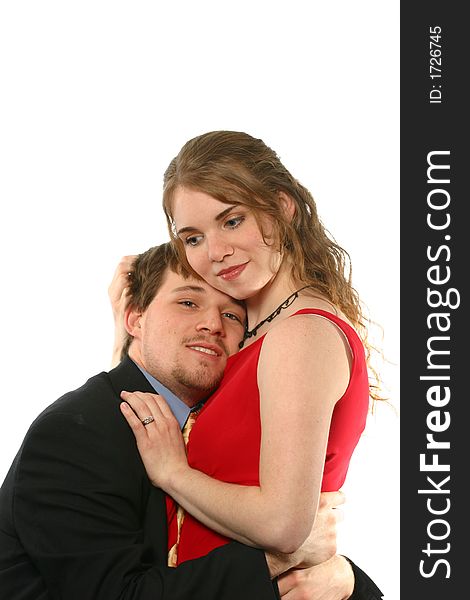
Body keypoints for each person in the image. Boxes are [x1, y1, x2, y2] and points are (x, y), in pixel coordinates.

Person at [0, 242, 358, 600]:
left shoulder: (217, 432)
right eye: (188, 303)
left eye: (232, 316)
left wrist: (344, 578)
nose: (212, 325)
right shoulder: (73, 435)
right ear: (135, 318)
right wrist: (277, 558)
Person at [117, 132, 385, 596]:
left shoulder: (299, 334)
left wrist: (173, 473)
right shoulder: (251, 335)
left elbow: (283, 525)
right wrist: (129, 325)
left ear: (282, 208)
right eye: (194, 237)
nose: (215, 252)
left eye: (232, 220)